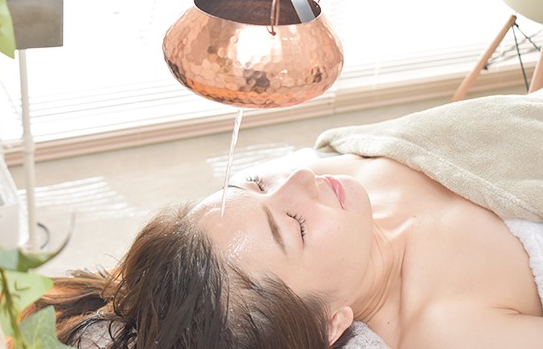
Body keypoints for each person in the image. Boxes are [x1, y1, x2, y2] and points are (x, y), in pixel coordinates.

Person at [28, 91, 543, 348]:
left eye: (256, 184)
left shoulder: (337, 188)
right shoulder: (450, 326)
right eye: (295, 224)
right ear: (332, 323)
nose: (298, 177)